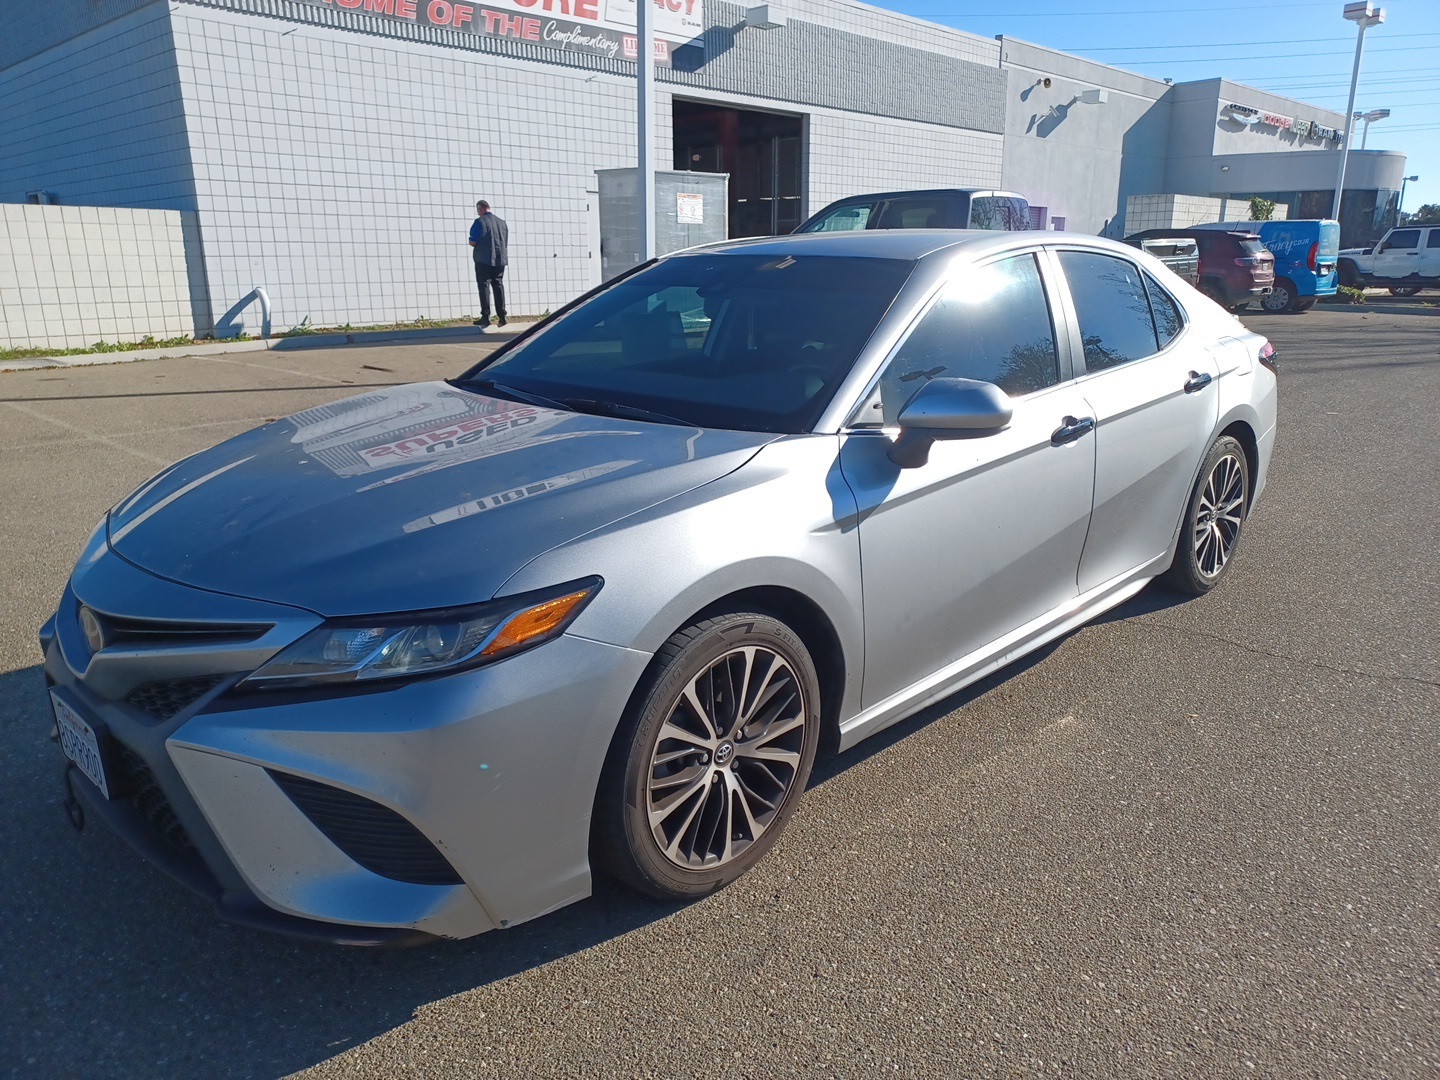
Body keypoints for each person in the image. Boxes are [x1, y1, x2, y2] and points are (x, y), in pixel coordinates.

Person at [469, 200, 509, 331]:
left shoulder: (479, 222)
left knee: (484, 286)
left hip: (483, 259)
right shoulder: (502, 223)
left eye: (478, 210)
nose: (478, 213)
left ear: (480, 209)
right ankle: (502, 316)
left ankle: (485, 316)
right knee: (498, 285)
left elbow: (473, 241)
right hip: (500, 259)